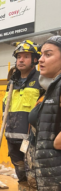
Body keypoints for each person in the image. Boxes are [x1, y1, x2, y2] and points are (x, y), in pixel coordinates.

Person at [3, 40, 42, 186]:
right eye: (18, 56)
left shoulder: (42, 80)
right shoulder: (12, 83)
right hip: (12, 139)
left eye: (26, 56)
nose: (21, 60)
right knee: (22, 177)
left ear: (35, 59)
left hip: (32, 140)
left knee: (35, 179)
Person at [25, 35, 61, 190]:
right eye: (41, 55)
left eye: (48, 54)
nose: (40, 60)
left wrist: (56, 143)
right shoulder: (51, 88)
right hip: (47, 174)